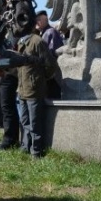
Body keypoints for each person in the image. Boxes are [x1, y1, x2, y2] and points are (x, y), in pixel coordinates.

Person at [16, 28, 58, 158]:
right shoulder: (21, 42)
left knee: (35, 122)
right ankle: (25, 147)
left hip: (34, 90)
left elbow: (50, 64)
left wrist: (41, 79)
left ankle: (36, 151)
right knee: (24, 121)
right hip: (22, 89)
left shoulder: (37, 42)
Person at [35, 10, 64, 99]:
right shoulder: (44, 33)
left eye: (39, 20)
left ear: (45, 20)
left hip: (52, 75)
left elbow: (51, 54)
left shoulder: (50, 32)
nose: (37, 22)